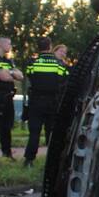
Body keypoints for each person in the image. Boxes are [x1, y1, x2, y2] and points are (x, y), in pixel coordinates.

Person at [24, 36, 69, 166]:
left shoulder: (32, 63)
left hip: (36, 102)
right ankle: (53, 161)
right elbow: (64, 79)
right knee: (52, 133)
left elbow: (29, 76)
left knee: (34, 132)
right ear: (50, 47)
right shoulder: (58, 64)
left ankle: (29, 160)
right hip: (53, 102)